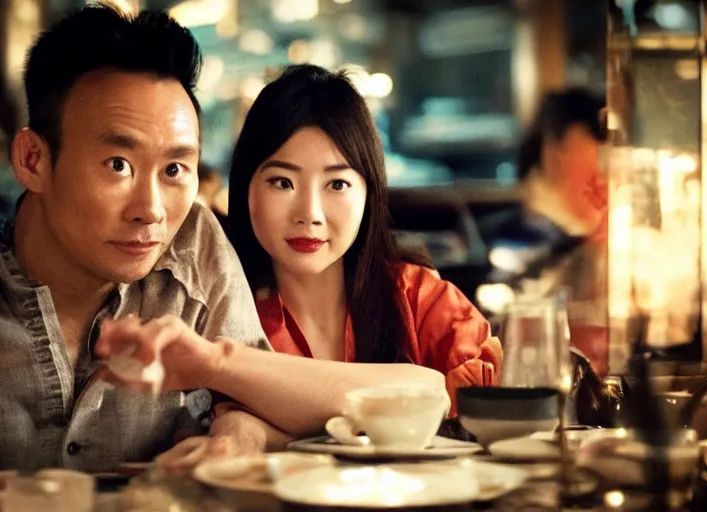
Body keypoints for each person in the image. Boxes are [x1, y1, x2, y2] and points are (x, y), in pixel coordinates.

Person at [1, 3, 273, 472]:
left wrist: (237, 435)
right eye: (118, 165)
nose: (151, 210)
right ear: (33, 160)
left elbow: (258, 393)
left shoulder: (193, 239)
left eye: (174, 169)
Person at [222, 64, 502, 414]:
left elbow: (493, 407)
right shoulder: (221, 315)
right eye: (283, 183)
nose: (310, 213)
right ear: (245, 188)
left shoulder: (418, 300)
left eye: (337, 184)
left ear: (369, 194)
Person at [480, 88, 609, 375]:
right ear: (550, 153)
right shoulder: (514, 246)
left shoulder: (599, 237)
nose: (605, 181)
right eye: (595, 168)